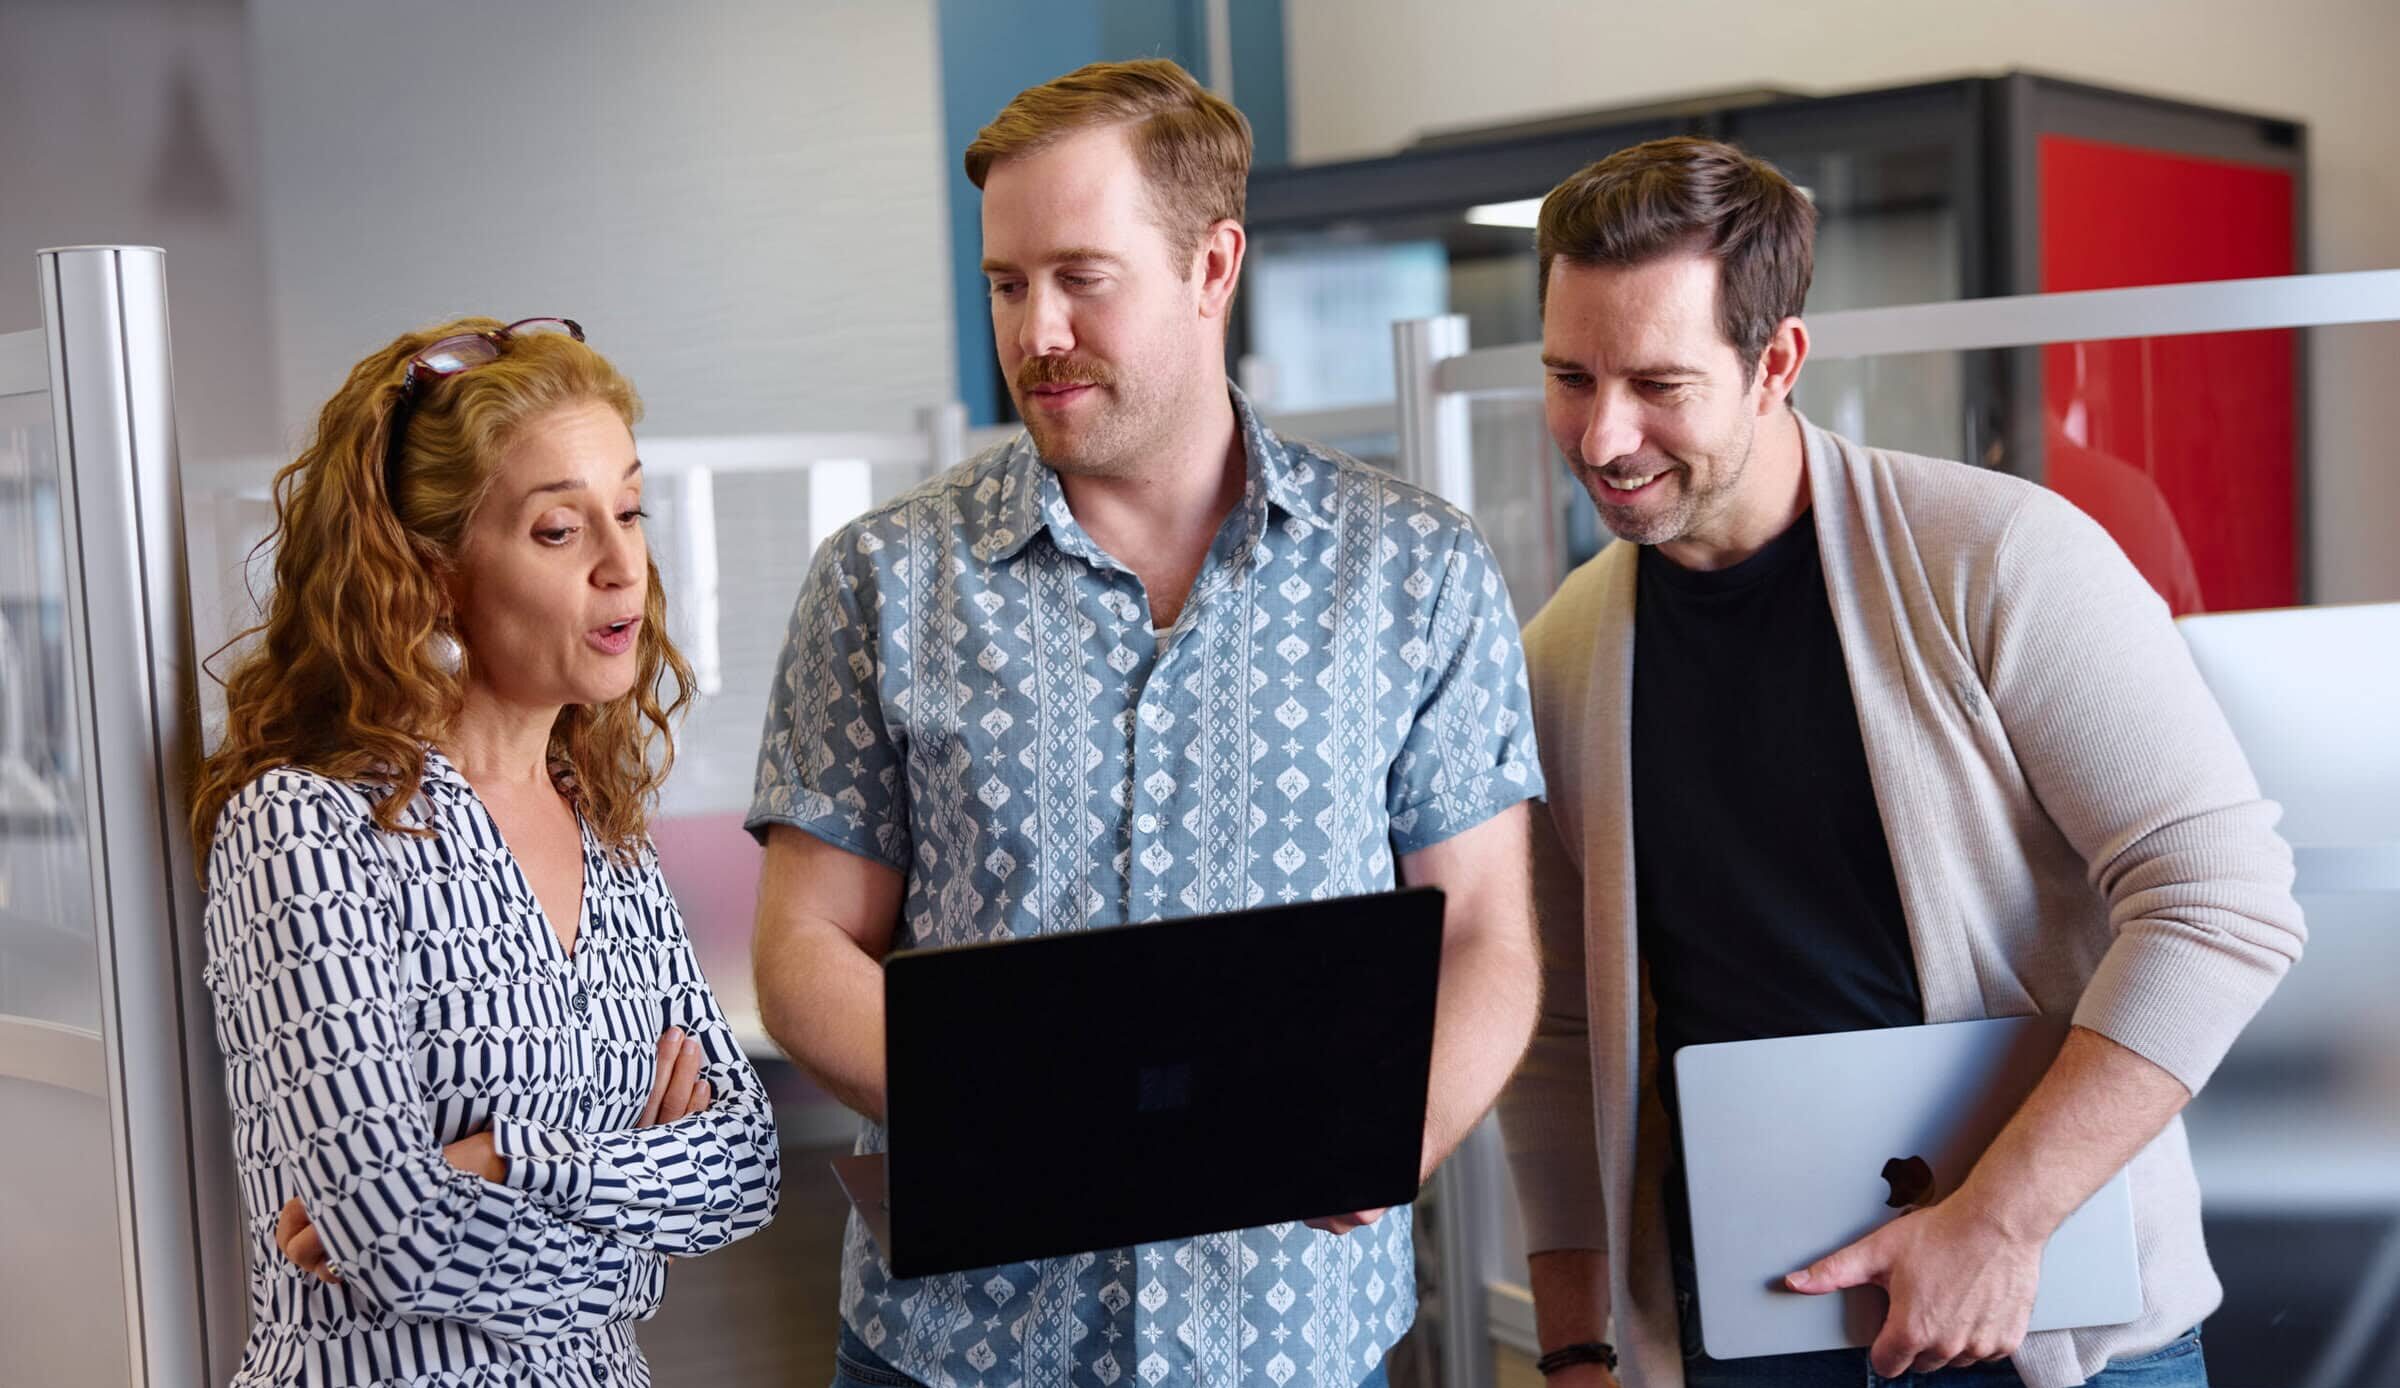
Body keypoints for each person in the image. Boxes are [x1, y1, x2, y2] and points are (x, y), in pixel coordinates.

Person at [748, 58, 1544, 1388]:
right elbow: (807, 944)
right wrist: (1029, 1119)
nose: (1036, 329)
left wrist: (1394, 1128)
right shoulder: (884, 581)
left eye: (1081, 276)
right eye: (1007, 284)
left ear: (1211, 265)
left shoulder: (1413, 571)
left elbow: (1486, 933)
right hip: (963, 1349)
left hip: (1287, 1337)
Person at [1494, 138, 2306, 1388]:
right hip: (1748, 1335)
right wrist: (1575, 1342)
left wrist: (2001, 1219)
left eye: (1659, 382)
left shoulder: (2001, 558)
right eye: (1568, 375)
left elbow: (2224, 902)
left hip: (2047, 1318)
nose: (1604, 435)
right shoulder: (1563, 658)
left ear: (1778, 363)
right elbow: (1559, 1033)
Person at [191, 316, 780, 1387]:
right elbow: (396, 1234)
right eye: (559, 530)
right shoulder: (307, 827)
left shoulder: (605, 827)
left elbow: (742, 1163)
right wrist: (638, 1251)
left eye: (630, 510)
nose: (621, 565)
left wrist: (512, 1157)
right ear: (435, 573)